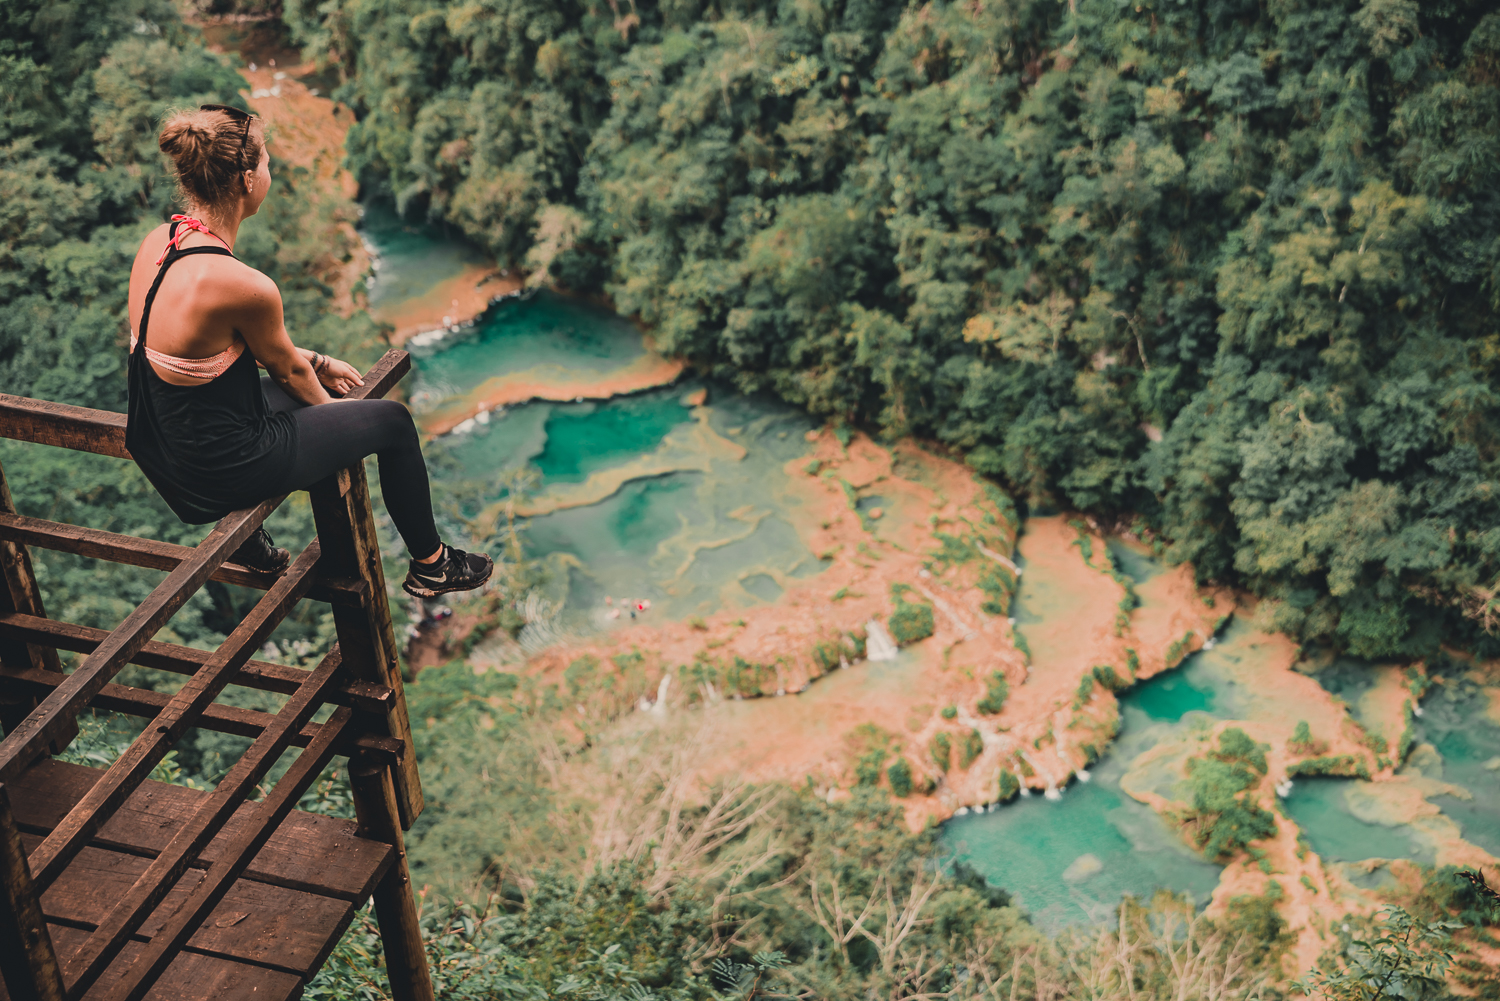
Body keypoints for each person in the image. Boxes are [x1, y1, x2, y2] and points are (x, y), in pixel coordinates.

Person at [126, 104, 491, 598]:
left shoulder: (161, 242)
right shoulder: (242, 284)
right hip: (222, 467)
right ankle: (433, 565)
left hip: (163, 445)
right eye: (269, 163)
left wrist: (315, 361)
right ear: (248, 179)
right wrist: (342, 418)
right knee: (392, 423)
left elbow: (216, 346)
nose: (271, 172)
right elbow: (285, 372)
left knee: (273, 394)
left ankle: (248, 543)